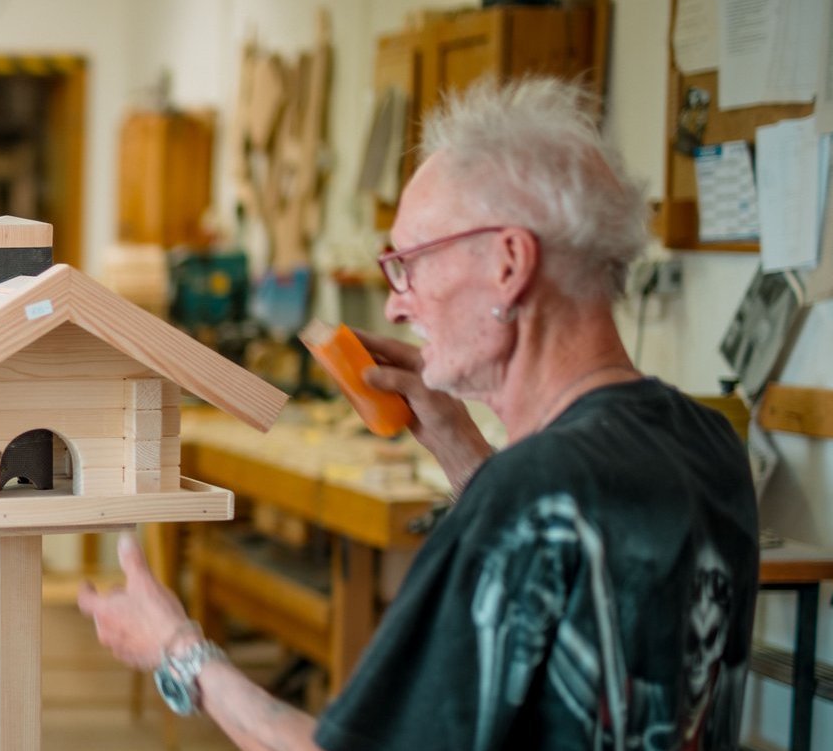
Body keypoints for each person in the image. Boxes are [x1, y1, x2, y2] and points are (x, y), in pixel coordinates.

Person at [80, 77, 758, 750]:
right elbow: (571, 574)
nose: (398, 303)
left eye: (411, 263)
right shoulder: (706, 443)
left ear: (509, 263)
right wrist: (459, 446)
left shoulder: (530, 493)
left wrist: (179, 650)